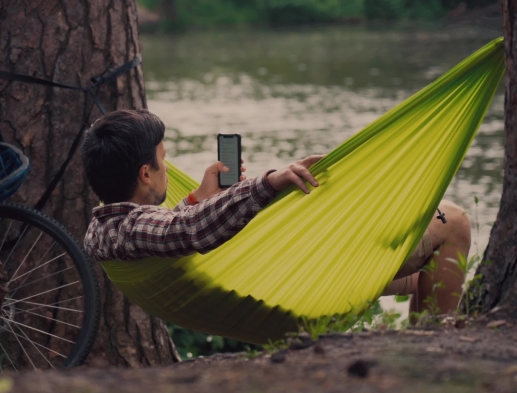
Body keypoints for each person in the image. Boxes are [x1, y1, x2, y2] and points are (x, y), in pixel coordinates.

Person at [82, 109, 471, 315]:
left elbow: (172, 227)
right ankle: (437, 345)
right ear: (145, 174)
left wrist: (200, 197)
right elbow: (187, 231)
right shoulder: (138, 229)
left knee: (423, 276)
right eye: (164, 163)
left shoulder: (104, 229)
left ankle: (430, 334)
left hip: (267, 276)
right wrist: (270, 181)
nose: (168, 169)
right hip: (295, 277)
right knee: (452, 220)